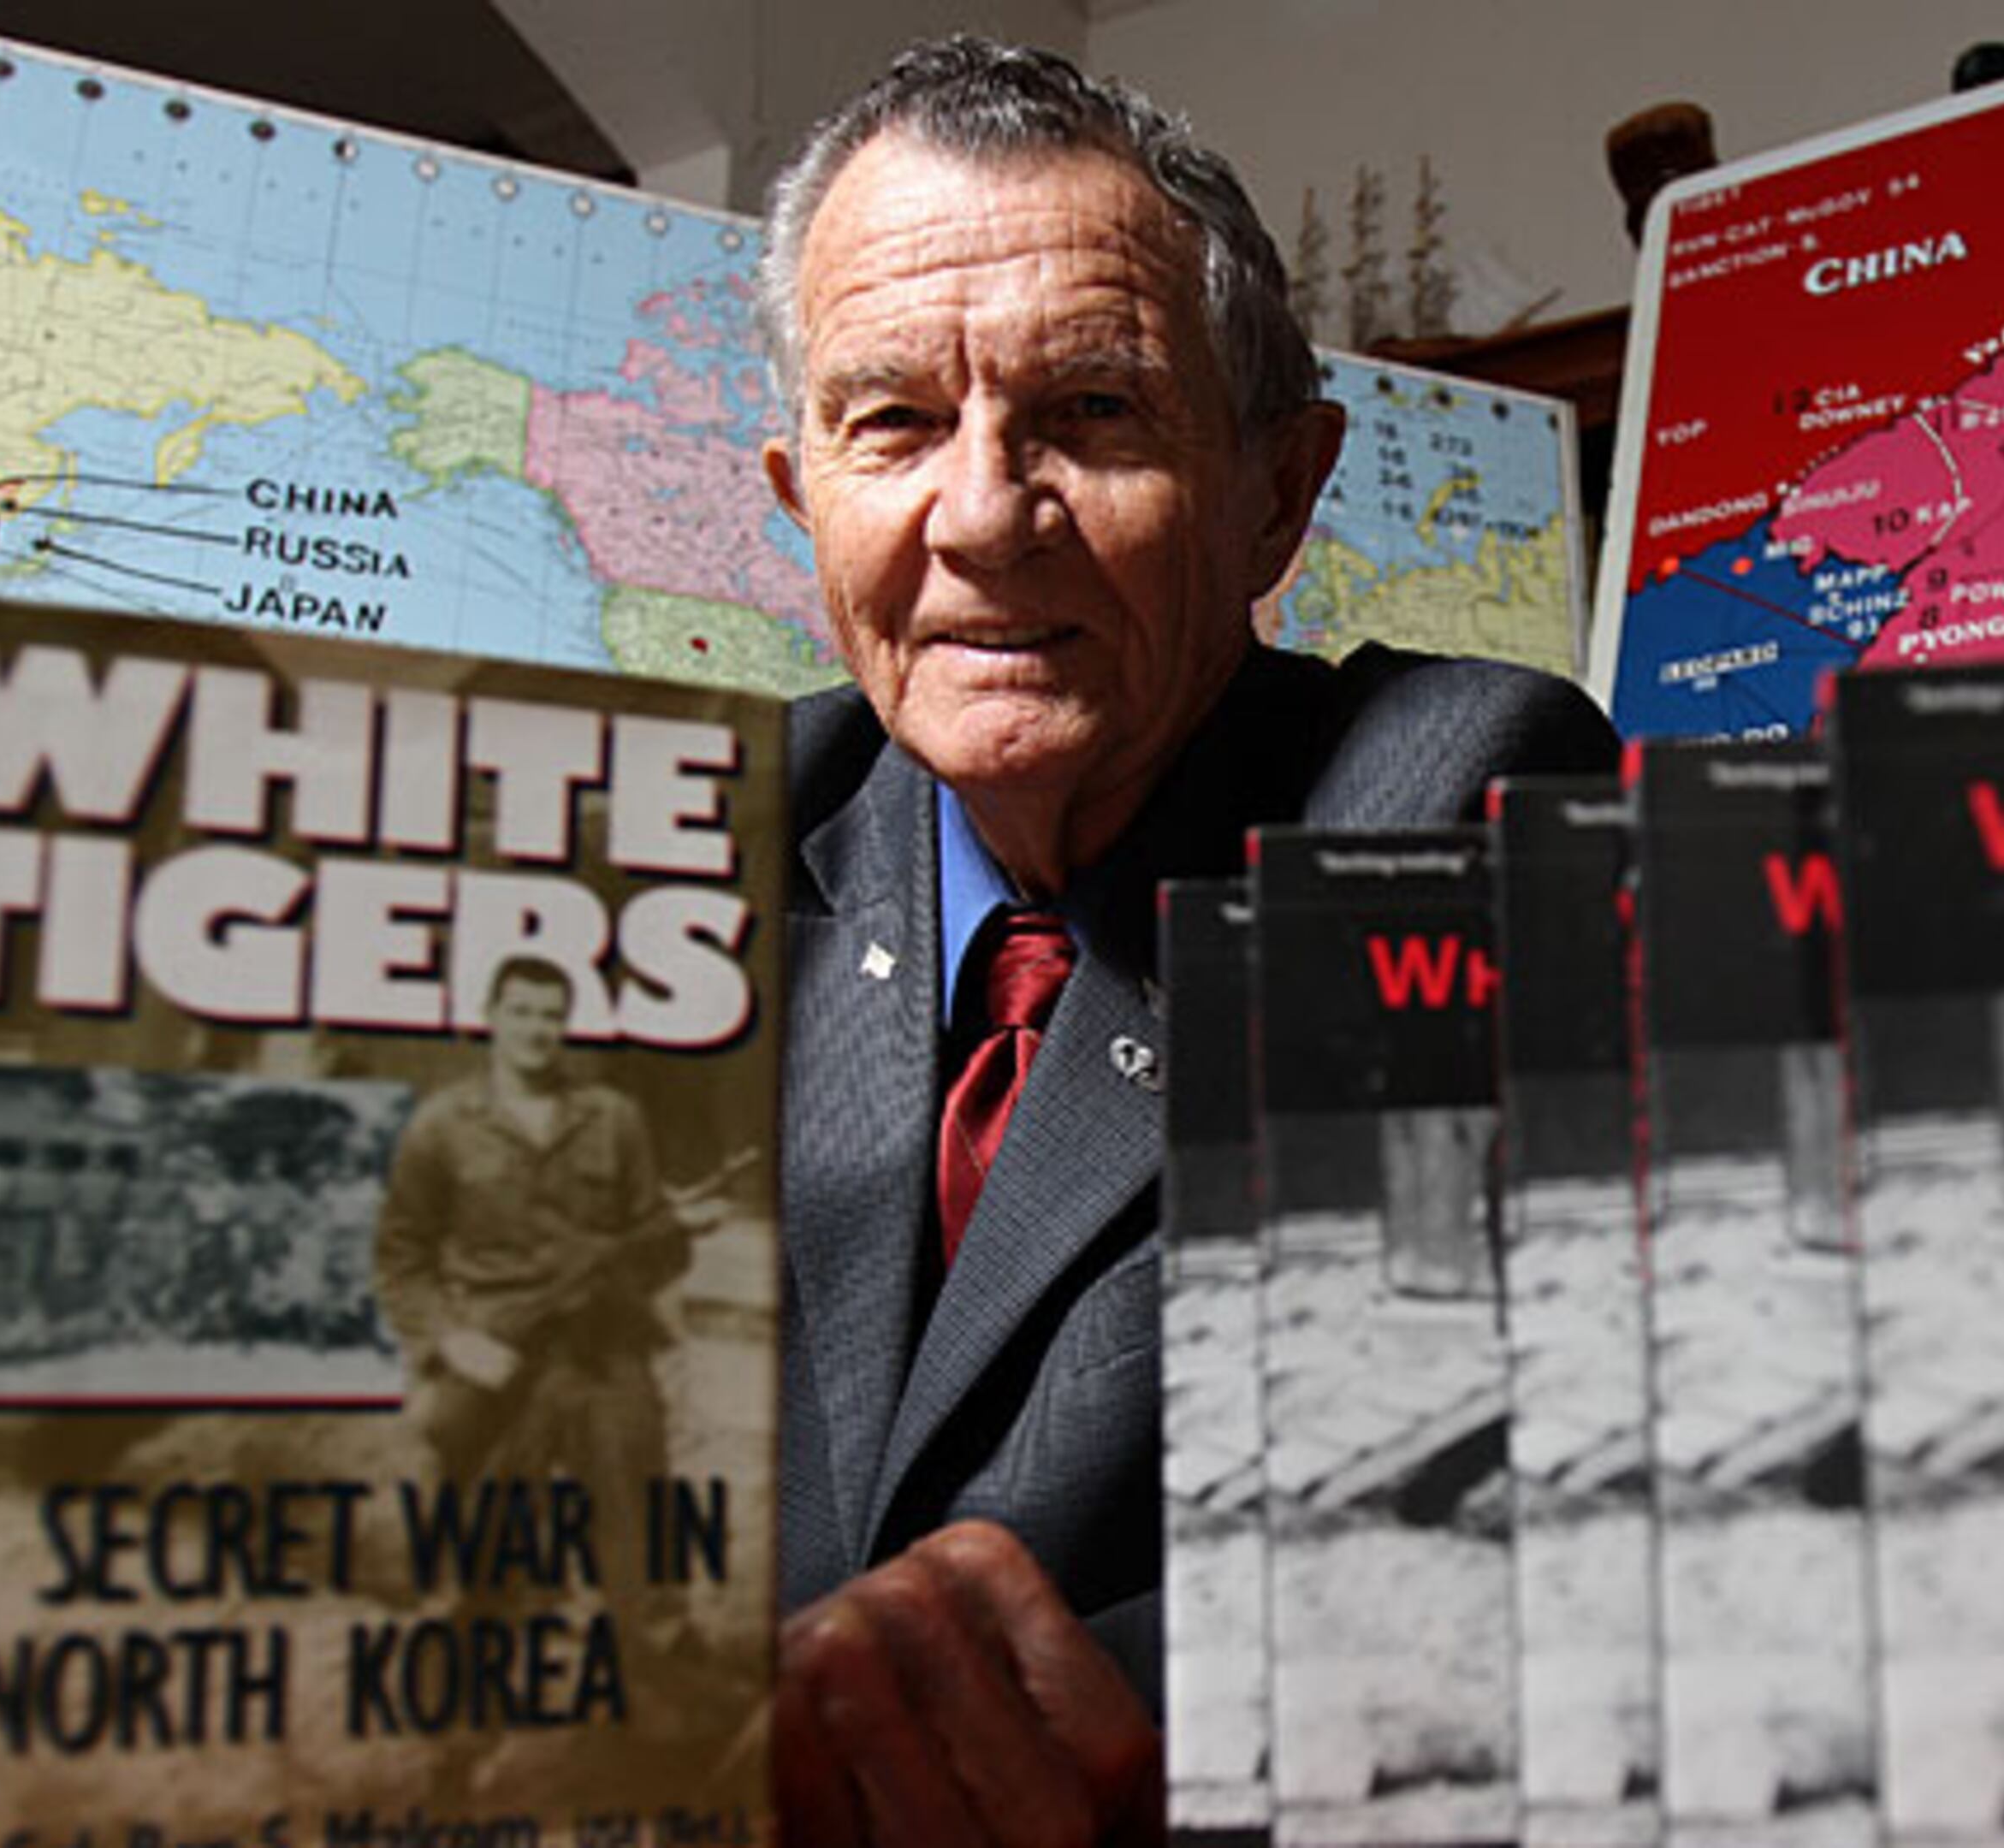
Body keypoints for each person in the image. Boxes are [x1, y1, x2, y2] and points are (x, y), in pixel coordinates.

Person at [754, 38, 1619, 1844]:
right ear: (800, 494)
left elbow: (1555, 1509)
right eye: (893, 422)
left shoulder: (1457, 805)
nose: (980, 517)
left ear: (1277, 495)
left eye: (1092, 413)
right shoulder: (717, 843)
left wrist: (1115, 1734)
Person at [375, 955, 695, 1586]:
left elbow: (659, 1248)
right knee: (481, 1537)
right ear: (491, 1017)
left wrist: (669, 1241)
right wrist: (452, 1341)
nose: (535, 1029)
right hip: (493, 1345)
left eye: (551, 1015)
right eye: (521, 1011)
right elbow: (401, 1257)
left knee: (640, 1514)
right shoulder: (442, 1126)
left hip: (601, 1346)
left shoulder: (612, 1118)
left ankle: (658, 1665)